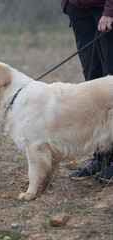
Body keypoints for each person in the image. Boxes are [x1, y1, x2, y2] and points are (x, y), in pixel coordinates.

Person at [61, 0, 113, 183]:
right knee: (93, 88)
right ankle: (102, 158)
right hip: (78, 10)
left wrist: (109, 10)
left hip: (105, 8)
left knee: (111, 84)